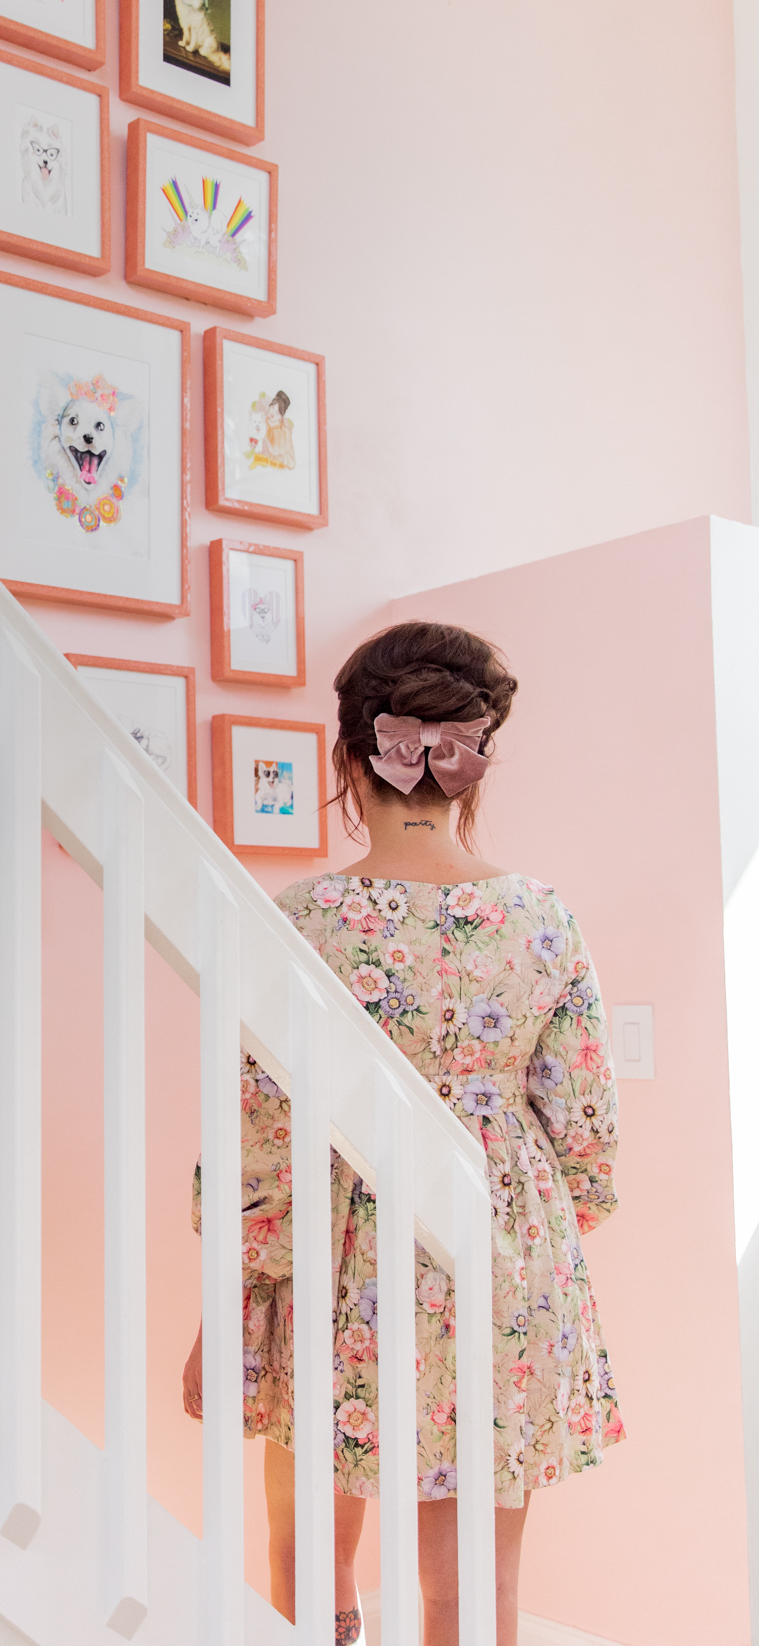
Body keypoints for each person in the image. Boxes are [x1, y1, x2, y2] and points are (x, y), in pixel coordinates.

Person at [182, 622, 623, 1646]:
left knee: (308, 1555)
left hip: (332, 1245)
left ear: (351, 757)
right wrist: (532, 1227)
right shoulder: (541, 917)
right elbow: (586, 1140)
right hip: (495, 1241)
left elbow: (259, 1131)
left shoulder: (301, 920)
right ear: (475, 761)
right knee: (472, 1585)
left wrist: (228, 1297)